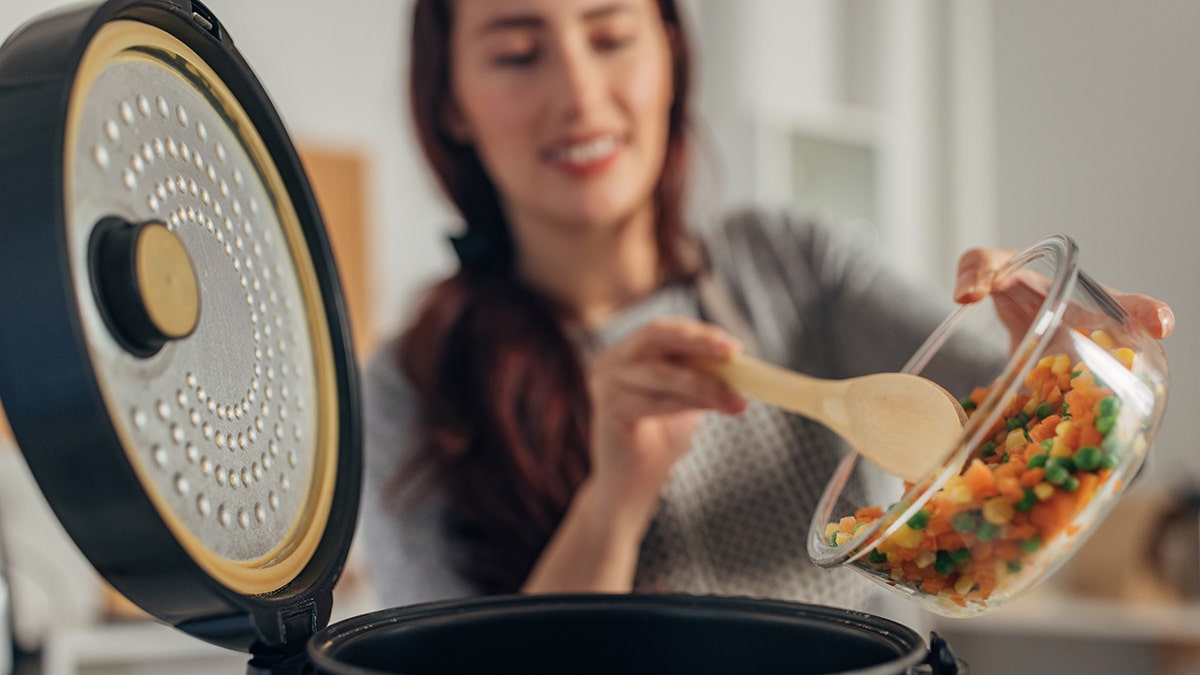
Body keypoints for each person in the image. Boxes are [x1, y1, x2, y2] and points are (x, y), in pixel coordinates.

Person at [359, 0, 1175, 611]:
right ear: (452, 101)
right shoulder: (409, 387)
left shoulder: (792, 258)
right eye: (516, 54)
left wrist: (1058, 355)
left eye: (610, 37)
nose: (579, 92)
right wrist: (612, 503)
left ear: (670, 53)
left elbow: (1002, 441)